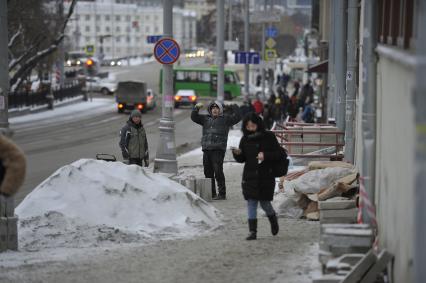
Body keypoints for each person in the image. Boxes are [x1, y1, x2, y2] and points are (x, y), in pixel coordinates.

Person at [232, 113, 281, 240]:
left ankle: (273, 218)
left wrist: (266, 155)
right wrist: (237, 154)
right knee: (251, 202)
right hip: (250, 176)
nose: (251, 128)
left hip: (266, 176)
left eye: (253, 125)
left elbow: (278, 154)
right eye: (248, 126)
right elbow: (242, 159)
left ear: (258, 124)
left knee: (265, 203)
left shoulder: (269, 137)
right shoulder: (245, 139)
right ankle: (252, 232)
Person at [191, 101, 241, 200]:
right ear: (210, 110)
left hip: (218, 149)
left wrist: (233, 105)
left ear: (220, 110)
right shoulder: (205, 119)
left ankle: (222, 193)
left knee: (218, 171)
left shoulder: (225, 119)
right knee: (208, 172)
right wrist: (196, 108)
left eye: (217, 108)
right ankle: (212, 193)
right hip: (207, 149)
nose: (214, 110)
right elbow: (194, 117)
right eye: (213, 108)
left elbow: (238, 117)